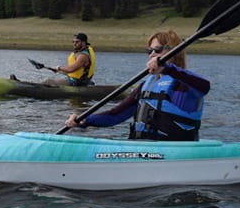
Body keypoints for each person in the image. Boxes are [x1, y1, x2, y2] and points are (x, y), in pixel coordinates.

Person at [63, 30, 210, 141]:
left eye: (157, 50)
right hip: (143, 148)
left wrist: (168, 69)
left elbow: (204, 86)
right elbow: (116, 115)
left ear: (174, 52)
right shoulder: (146, 86)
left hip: (174, 151)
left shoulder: (185, 84)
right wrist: (86, 120)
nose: (152, 54)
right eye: (149, 51)